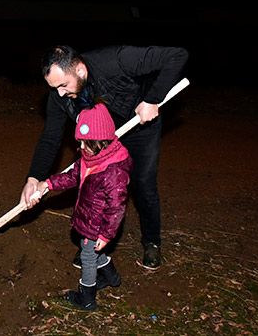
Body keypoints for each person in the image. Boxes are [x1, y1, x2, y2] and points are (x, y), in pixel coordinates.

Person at [21, 45, 188, 270]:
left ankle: (152, 242)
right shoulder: (59, 96)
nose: (59, 93)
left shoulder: (115, 61)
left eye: (62, 85)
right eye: (54, 87)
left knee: (143, 184)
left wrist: (152, 99)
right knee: (93, 186)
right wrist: (34, 178)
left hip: (139, 126)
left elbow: (177, 56)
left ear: (80, 70)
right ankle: (91, 247)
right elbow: (51, 139)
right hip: (101, 140)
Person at [25, 102, 132, 311]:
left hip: (97, 224)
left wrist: (106, 235)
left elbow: (116, 208)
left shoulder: (114, 172)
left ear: (102, 141)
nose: (81, 148)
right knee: (90, 250)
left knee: (87, 256)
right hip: (88, 216)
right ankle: (112, 277)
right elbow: (72, 176)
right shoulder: (91, 157)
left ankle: (87, 297)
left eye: (86, 143)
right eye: (80, 143)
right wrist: (48, 183)